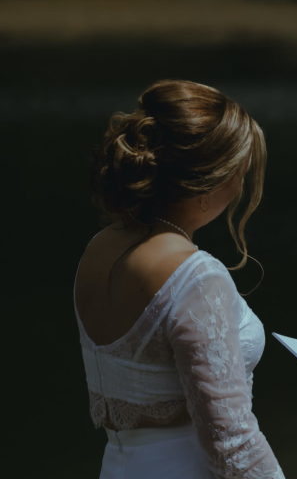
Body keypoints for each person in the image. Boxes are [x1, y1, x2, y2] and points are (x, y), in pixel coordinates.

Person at [74, 80, 285, 478]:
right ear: (212, 179)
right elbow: (230, 440)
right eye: (240, 170)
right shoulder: (196, 276)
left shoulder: (99, 248)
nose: (241, 185)